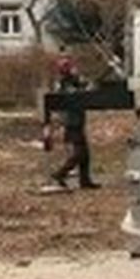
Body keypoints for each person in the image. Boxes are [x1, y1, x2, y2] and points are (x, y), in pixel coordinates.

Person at [48, 56, 99, 190]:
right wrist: (86, 90)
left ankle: (85, 180)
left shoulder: (73, 80)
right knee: (79, 153)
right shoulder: (63, 83)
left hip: (77, 119)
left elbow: (83, 84)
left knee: (85, 155)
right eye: (69, 67)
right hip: (71, 121)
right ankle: (60, 174)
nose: (72, 68)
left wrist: (88, 85)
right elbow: (74, 94)